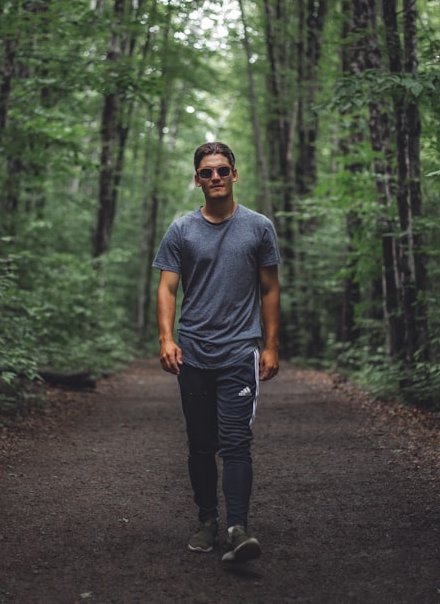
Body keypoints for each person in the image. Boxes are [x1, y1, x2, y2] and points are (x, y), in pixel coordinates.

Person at [152, 141, 281, 564]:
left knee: (236, 442)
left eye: (222, 170)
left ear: (234, 174)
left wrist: (271, 344)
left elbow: (269, 288)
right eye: (206, 172)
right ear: (197, 179)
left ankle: (237, 527)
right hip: (193, 354)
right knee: (201, 444)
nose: (215, 178)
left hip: (239, 352)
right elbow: (167, 287)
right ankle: (207, 520)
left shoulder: (259, 227)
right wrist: (166, 339)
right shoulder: (182, 230)